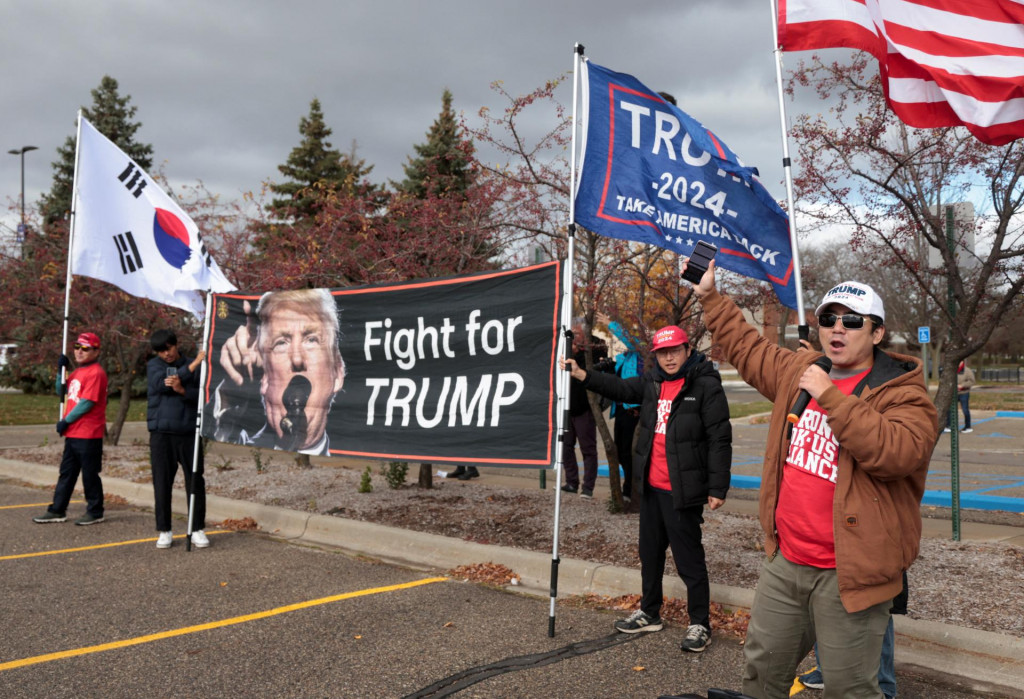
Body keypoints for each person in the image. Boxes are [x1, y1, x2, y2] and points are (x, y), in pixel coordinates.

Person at [687, 262, 937, 698]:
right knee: (761, 675)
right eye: (828, 319)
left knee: (850, 689)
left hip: (851, 574)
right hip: (787, 563)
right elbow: (748, 349)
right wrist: (710, 295)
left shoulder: (902, 392)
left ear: (876, 333)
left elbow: (896, 453)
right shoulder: (803, 370)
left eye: (852, 321)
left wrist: (831, 397)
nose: (837, 328)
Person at [561, 324, 732, 652]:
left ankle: (700, 623)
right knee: (649, 554)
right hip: (651, 489)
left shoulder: (705, 384)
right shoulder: (653, 382)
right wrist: (583, 375)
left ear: (686, 350)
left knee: (689, 561)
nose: (670, 358)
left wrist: (718, 487)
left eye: (675, 351)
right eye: (663, 353)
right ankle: (650, 612)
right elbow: (621, 389)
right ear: (656, 356)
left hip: (682, 490)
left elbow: (719, 438)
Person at [212, 289, 345, 456]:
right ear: (265, 378)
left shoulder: (358, 455)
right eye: (281, 343)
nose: (297, 358)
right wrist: (229, 398)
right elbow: (216, 450)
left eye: (311, 340)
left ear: (337, 372)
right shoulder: (243, 451)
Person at [33, 332, 108, 526]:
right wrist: (61, 371)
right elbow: (61, 391)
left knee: (90, 474)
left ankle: (95, 511)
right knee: (67, 473)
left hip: (89, 432)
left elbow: (87, 403)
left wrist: (66, 420)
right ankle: (57, 509)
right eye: (77, 347)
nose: (79, 352)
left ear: (96, 351)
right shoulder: (77, 372)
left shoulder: (96, 373)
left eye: (85, 348)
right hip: (73, 433)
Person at [148, 329, 208, 549]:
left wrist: (183, 390)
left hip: (188, 432)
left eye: (169, 348)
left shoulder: (196, 364)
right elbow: (163, 384)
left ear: (176, 344)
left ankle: (197, 528)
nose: (166, 354)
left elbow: (200, 395)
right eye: (161, 351)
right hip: (161, 434)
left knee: (195, 481)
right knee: (162, 483)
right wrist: (191, 368)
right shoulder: (154, 366)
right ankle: (164, 530)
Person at [596, 311, 643, 501]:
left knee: (631, 452)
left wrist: (610, 323)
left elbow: (631, 342)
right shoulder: (625, 357)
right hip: (622, 409)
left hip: (635, 410)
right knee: (621, 451)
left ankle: (630, 490)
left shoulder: (641, 352)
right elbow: (614, 373)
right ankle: (628, 488)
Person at [561, 321, 607, 499]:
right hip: (567, 408)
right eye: (571, 334)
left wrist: (583, 344)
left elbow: (602, 349)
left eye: (577, 334)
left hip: (585, 409)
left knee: (588, 449)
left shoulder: (593, 351)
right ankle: (571, 482)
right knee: (566, 447)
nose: (574, 337)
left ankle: (588, 487)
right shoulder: (566, 353)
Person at [942, 360, 975, 434]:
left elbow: (972, 381)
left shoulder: (967, 371)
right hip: (953, 393)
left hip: (964, 393)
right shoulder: (952, 370)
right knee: (949, 409)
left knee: (965, 410)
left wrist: (962, 385)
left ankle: (968, 427)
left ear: (962, 362)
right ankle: (949, 425)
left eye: (959, 362)